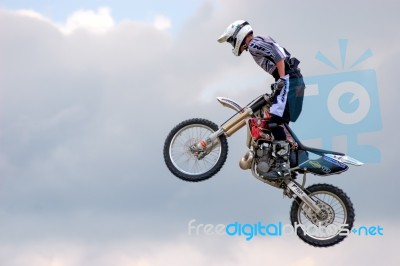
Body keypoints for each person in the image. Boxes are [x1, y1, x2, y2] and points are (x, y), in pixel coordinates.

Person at [217, 20, 305, 180]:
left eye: (231, 40)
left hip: (290, 81)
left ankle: (282, 166)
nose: (232, 44)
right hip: (295, 81)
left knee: (273, 122)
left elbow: (278, 56)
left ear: (239, 34)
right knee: (274, 120)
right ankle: (290, 158)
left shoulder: (253, 45)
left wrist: (282, 79)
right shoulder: (261, 40)